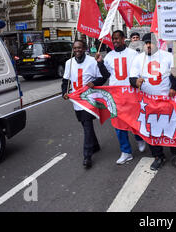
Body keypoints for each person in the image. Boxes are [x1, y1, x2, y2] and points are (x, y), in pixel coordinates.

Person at [129, 33, 176, 171]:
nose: (148, 45)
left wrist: (173, 87)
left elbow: (175, 74)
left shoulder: (167, 56)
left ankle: (174, 146)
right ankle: (158, 156)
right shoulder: (138, 59)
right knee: (151, 129)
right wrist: (135, 82)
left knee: (170, 125)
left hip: (166, 99)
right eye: (146, 43)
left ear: (156, 43)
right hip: (147, 101)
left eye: (150, 43)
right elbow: (132, 78)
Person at [62, 39, 109, 169]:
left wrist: (94, 83)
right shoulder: (69, 63)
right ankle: (95, 145)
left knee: (87, 124)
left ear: (85, 48)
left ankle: (87, 156)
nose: (77, 50)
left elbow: (104, 77)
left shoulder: (92, 61)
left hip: (89, 99)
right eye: (75, 48)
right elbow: (65, 81)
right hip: (76, 99)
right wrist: (64, 93)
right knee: (84, 123)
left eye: (80, 48)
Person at [104, 30, 146, 165]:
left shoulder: (134, 54)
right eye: (113, 39)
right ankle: (126, 152)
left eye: (117, 38)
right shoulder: (108, 57)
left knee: (134, 119)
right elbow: (105, 75)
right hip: (116, 96)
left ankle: (139, 138)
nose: (115, 41)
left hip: (131, 93)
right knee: (118, 124)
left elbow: (140, 71)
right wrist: (99, 63)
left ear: (123, 39)